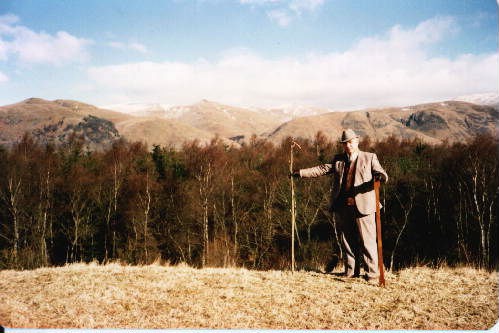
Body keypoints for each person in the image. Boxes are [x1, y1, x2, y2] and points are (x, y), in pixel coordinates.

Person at [292, 128, 388, 282]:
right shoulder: (339, 160)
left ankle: (372, 274)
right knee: (347, 240)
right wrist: (301, 173)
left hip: (365, 206)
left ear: (357, 141)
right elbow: (322, 169)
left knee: (367, 241)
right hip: (344, 206)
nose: (348, 146)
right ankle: (351, 271)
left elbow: (382, 173)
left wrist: (380, 176)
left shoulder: (369, 157)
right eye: (345, 143)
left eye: (350, 142)